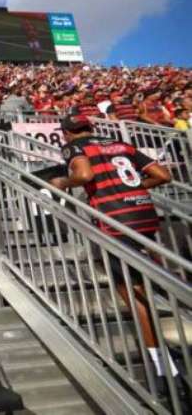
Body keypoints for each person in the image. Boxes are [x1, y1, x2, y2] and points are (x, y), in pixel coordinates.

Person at [51, 114, 178, 389]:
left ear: (67, 133)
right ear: (91, 126)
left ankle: (163, 366)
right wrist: (132, 188)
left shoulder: (75, 147)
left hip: (117, 221)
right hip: (144, 215)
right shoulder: (122, 144)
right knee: (143, 282)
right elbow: (163, 175)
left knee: (132, 294)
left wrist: (63, 182)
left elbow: (84, 174)